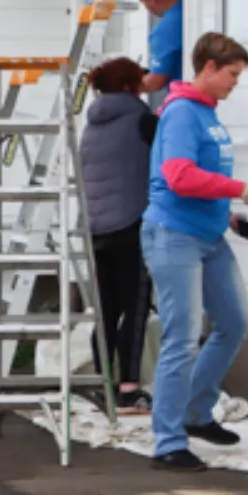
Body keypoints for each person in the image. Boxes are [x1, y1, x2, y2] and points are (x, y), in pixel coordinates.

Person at [141, 31, 248, 472]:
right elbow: (179, 175)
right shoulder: (182, 113)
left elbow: (201, 177)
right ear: (210, 68)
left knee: (235, 322)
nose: (236, 83)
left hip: (209, 234)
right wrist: (241, 189)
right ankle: (167, 441)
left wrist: (228, 213)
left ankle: (196, 414)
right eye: (232, 75)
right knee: (181, 337)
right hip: (173, 235)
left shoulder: (207, 113)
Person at [79, 57, 157, 415]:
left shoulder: (91, 125)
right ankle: (129, 390)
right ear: (129, 85)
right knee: (135, 308)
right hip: (131, 225)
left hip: (96, 227)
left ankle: (102, 385)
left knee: (105, 311)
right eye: (141, 77)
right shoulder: (143, 120)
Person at [130, 0, 183, 95]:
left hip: (183, 99)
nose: (147, 8)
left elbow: (156, 82)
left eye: (143, 2)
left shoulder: (165, 29)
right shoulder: (192, 13)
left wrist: (124, 88)